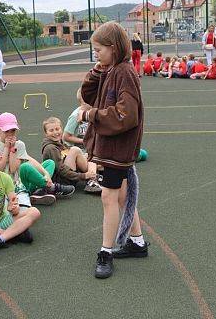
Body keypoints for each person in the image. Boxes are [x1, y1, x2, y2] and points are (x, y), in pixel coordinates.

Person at [79, 22, 144, 279]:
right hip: (113, 147)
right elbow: (88, 93)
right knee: (120, 198)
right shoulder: (111, 69)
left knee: (109, 198)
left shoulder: (124, 72)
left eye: (99, 50)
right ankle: (136, 242)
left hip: (117, 148)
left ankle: (106, 251)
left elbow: (126, 115)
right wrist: (97, 70)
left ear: (114, 48)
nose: (96, 54)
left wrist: (91, 115)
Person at [0, 112, 75, 206]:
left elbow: (27, 160)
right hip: (11, 185)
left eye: (12, 130)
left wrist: (46, 173)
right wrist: (7, 148)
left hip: (22, 183)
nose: (10, 134)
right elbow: (9, 170)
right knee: (25, 167)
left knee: (50, 163)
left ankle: (40, 190)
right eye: (6, 131)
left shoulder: (19, 144)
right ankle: (51, 187)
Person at [41, 117, 98, 191]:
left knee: (89, 156)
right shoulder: (50, 148)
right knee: (75, 150)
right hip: (62, 181)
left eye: (57, 129)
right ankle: (93, 178)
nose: (55, 132)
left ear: (61, 129)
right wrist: (83, 176)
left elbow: (66, 155)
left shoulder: (59, 143)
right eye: (51, 130)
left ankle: (93, 176)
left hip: (68, 176)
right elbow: (61, 170)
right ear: (46, 133)